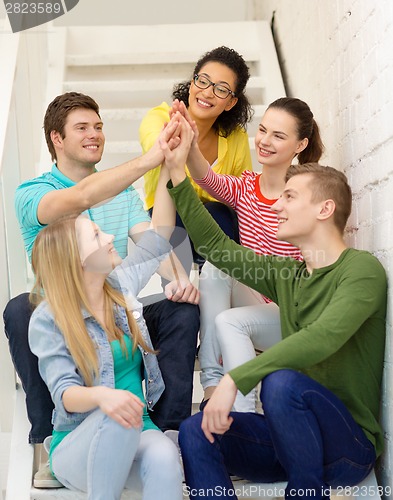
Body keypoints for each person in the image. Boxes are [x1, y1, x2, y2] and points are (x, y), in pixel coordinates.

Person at [158, 127, 387, 499]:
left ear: (325, 209)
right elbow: (215, 245)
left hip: (347, 447)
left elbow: (323, 337)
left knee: (280, 383)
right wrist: (178, 170)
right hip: (289, 442)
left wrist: (233, 380)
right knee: (195, 430)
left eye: (289, 197)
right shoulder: (286, 274)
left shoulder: (360, 270)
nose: (276, 205)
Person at [2, 92, 199, 487]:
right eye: (82, 128)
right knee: (21, 307)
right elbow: (82, 197)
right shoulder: (32, 193)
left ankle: (170, 431)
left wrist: (179, 280)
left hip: (112, 300)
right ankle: (45, 437)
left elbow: (154, 242)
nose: (95, 135)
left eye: (99, 126)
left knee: (180, 308)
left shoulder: (124, 197)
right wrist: (152, 157)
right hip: (63, 313)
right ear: (56, 138)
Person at [172, 97, 324, 410]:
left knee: (231, 319)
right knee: (215, 267)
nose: (265, 142)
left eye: (279, 136)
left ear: (301, 144)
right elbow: (204, 176)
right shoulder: (245, 187)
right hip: (255, 299)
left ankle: (241, 408)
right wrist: (189, 140)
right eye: (263, 130)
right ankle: (213, 386)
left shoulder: (306, 194)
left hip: (291, 312)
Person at [28, 213, 183, 500]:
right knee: (117, 417)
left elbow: (155, 240)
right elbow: (64, 393)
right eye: (97, 236)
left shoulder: (120, 288)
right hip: (77, 445)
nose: (111, 237)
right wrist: (103, 397)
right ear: (78, 259)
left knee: (165, 455)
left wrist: (167, 170)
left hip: (138, 431)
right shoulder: (48, 318)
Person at [139, 46, 254, 265]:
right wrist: (178, 133)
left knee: (220, 212)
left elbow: (242, 194)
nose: (208, 92)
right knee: (188, 214)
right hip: (168, 217)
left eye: (221, 89)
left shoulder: (236, 137)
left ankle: (219, 277)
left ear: (231, 102)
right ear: (192, 83)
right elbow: (160, 146)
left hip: (216, 224)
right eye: (203, 81)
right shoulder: (160, 117)